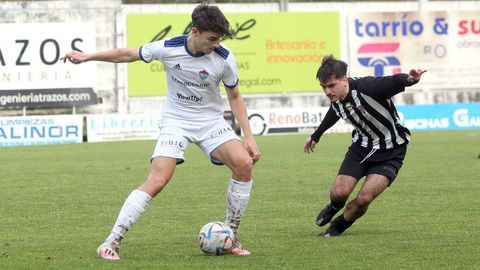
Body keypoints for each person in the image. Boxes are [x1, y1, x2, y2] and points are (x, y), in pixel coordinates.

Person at [62, 1, 260, 259]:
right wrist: (88, 56)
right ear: (195, 32)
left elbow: (235, 97)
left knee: (244, 164)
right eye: (212, 38)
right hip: (175, 121)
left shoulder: (224, 58)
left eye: (219, 39)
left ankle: (231, 237)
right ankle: (111, 241)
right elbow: (127, 54)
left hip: (210, 122)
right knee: (158, 179)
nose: (216, 44)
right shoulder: (169, 48)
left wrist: (248, 137)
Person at [304, 55, 425, 237]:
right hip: (361, 148)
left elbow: (390, 82)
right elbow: (334, 112)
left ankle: (338, 226)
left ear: (344, 79)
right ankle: (335, 205)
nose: (327, 92)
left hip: (392, 150)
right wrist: (316, 135)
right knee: (339, 192)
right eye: (324, 87)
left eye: (331, 86)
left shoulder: (368, 88)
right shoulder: (337, 100)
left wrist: (409, 80)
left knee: (364, 198)